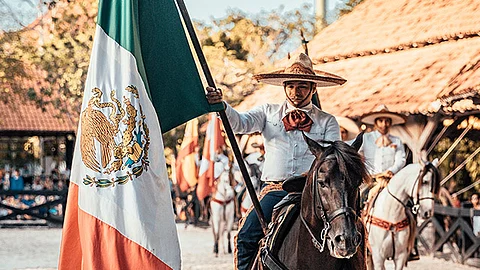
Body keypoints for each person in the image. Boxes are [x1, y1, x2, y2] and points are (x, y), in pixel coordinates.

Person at [206, 53, 345, 269]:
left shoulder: (327, 121)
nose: (295, 92)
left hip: (315, 192)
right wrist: (222, 106)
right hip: (276, 190)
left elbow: (334, 159)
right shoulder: (267, 112)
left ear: (313, 88)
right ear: (284, 86)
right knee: (246, 235)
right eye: (290, 86)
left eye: (302, 86)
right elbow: (240, 123)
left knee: (352, 231)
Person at [359, 105, 406, 207]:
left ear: (390, 123)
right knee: (360, 199)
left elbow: (401, 159)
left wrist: (392, 170)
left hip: (390, 180)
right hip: (371, 181)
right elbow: (355, 151)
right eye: (381, 121)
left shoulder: (396, 140)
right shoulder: (366, 138)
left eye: (387, 121)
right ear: (375, 123)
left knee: (407, 203)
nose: (384, 124)